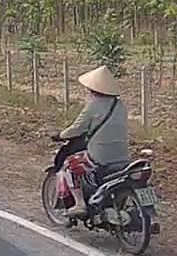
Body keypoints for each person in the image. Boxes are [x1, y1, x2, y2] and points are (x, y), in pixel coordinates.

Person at [52, 65, 129, 217]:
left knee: (69, 165)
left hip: (100, 156)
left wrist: (61, 135)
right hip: (123, 155)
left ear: (93, 89)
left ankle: (80, 203)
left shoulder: (93, 106)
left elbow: (77, 128)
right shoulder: (120, 106)